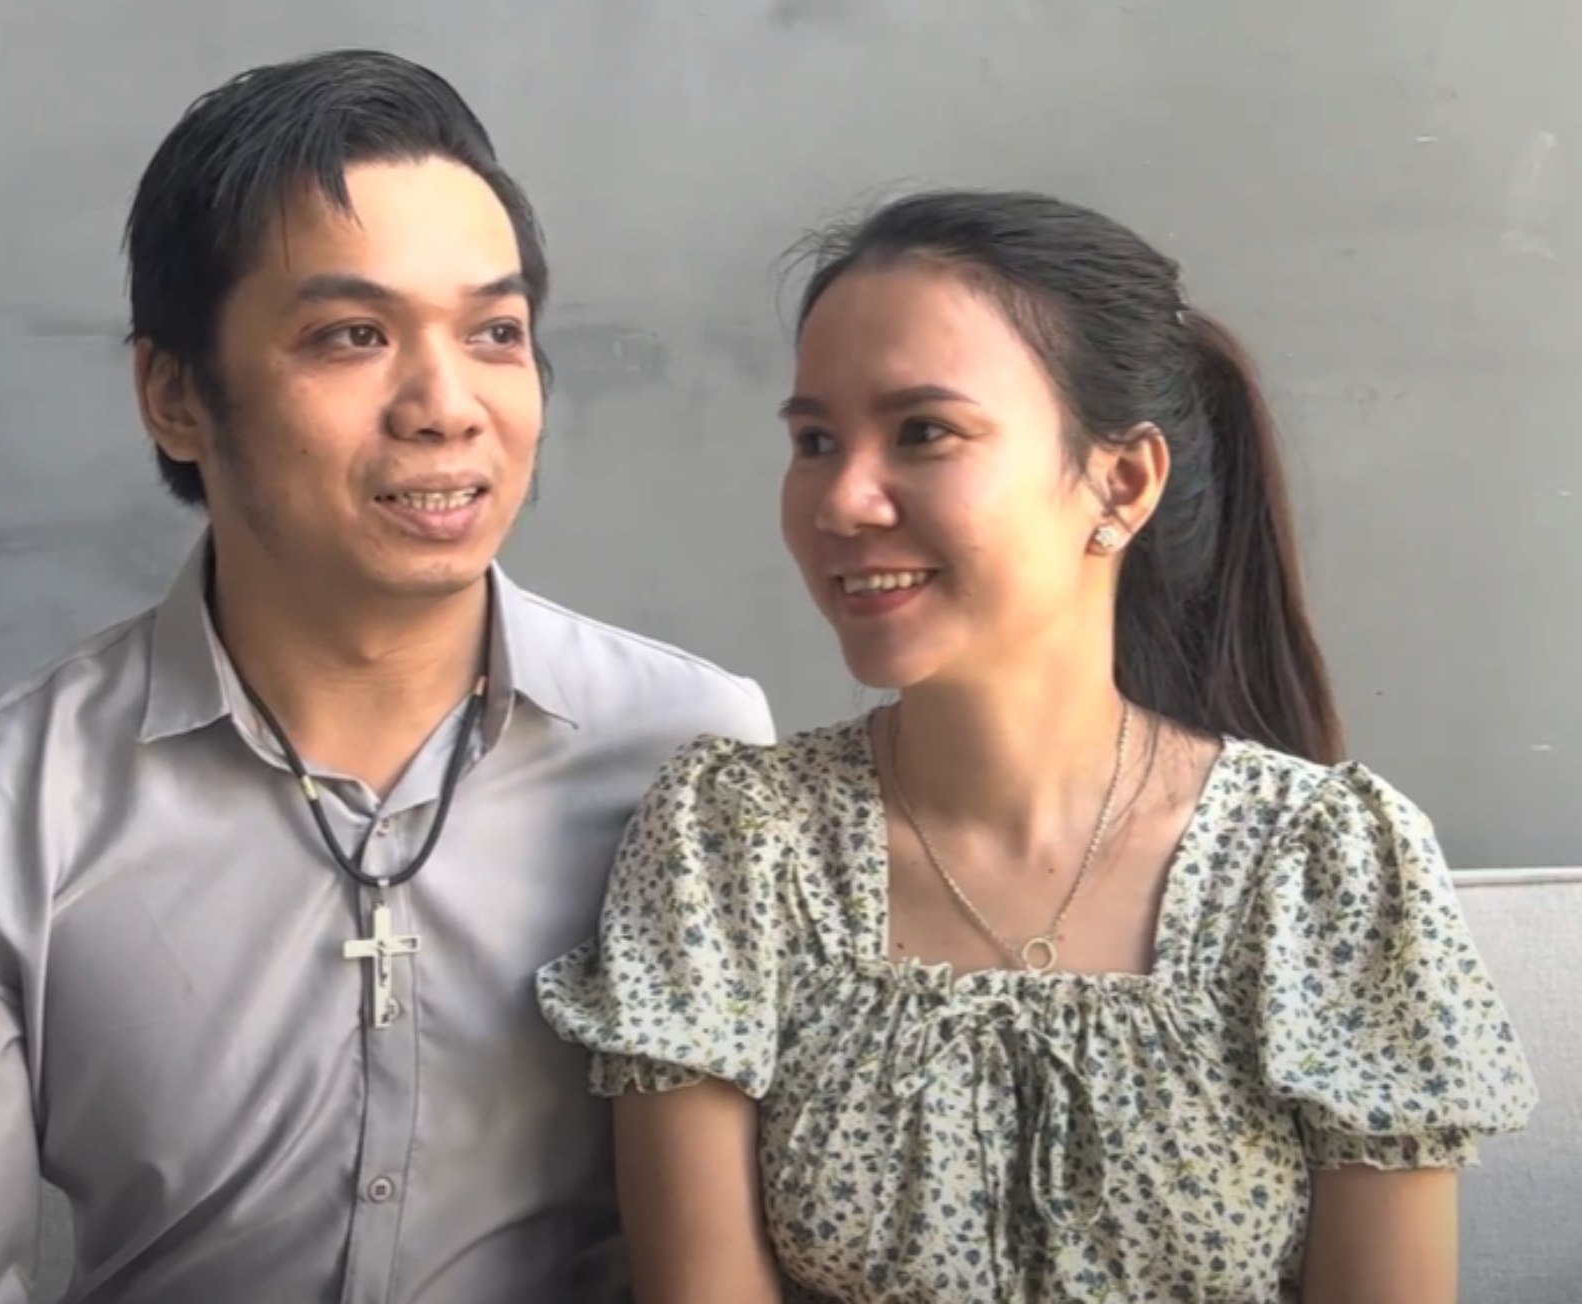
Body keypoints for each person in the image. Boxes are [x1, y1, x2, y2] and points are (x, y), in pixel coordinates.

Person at [0, 49, 773, 1304]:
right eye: (353, 335)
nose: (447, 405)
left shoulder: (694, 756)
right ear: (175, 395)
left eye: (495, 332)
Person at [537, 188, 1536, 1303]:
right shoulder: (732, 843)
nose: (841, 501)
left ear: (1123, 481)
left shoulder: (1325, 862)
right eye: (815, 440)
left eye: (924, 431)